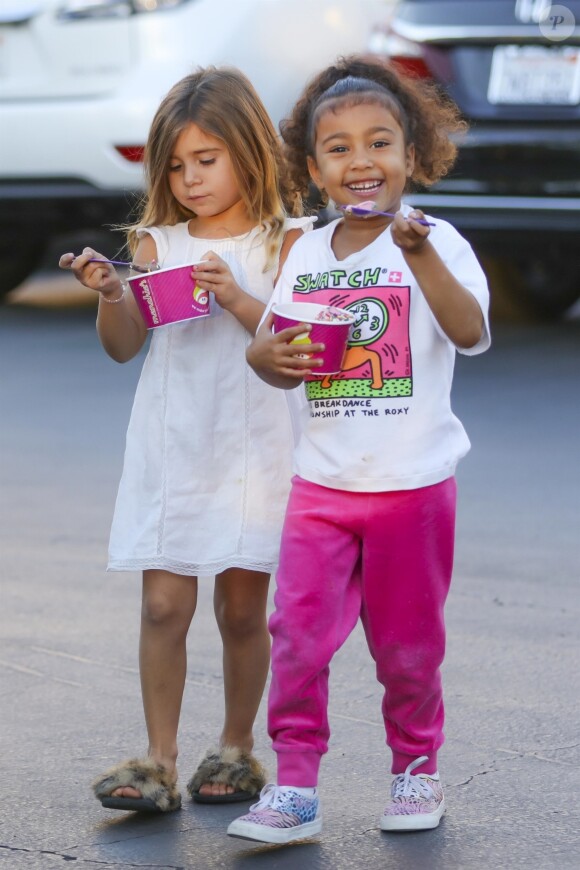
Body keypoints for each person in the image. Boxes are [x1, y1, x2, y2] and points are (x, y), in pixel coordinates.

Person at [227, 56, 491, 844]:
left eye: (379, 143)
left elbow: (471, 332)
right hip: (323, 486)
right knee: (298, 637)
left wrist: (419, 258)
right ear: (314, 169)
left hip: (412, 486)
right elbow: (275, 346)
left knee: (408, 649)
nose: (360, 161)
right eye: (337, 149)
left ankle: (416, 770)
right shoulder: (307, 250)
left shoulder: (438, 242)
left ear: (412, 155)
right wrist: (261, 357)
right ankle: (297, 788)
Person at [59, 67, 313, 814]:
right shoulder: (156, 241)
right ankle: (159, 758)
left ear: (249, 151)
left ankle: (236, 748)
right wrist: (113, 295)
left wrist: (232, 292)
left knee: (242, 608)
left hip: (258, 447)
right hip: (174, 445)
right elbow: (122, 346)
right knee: (164, 606)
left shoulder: (287, 241)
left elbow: (291, 339)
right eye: (176, 164)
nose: (190, 178)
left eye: (207, 160)